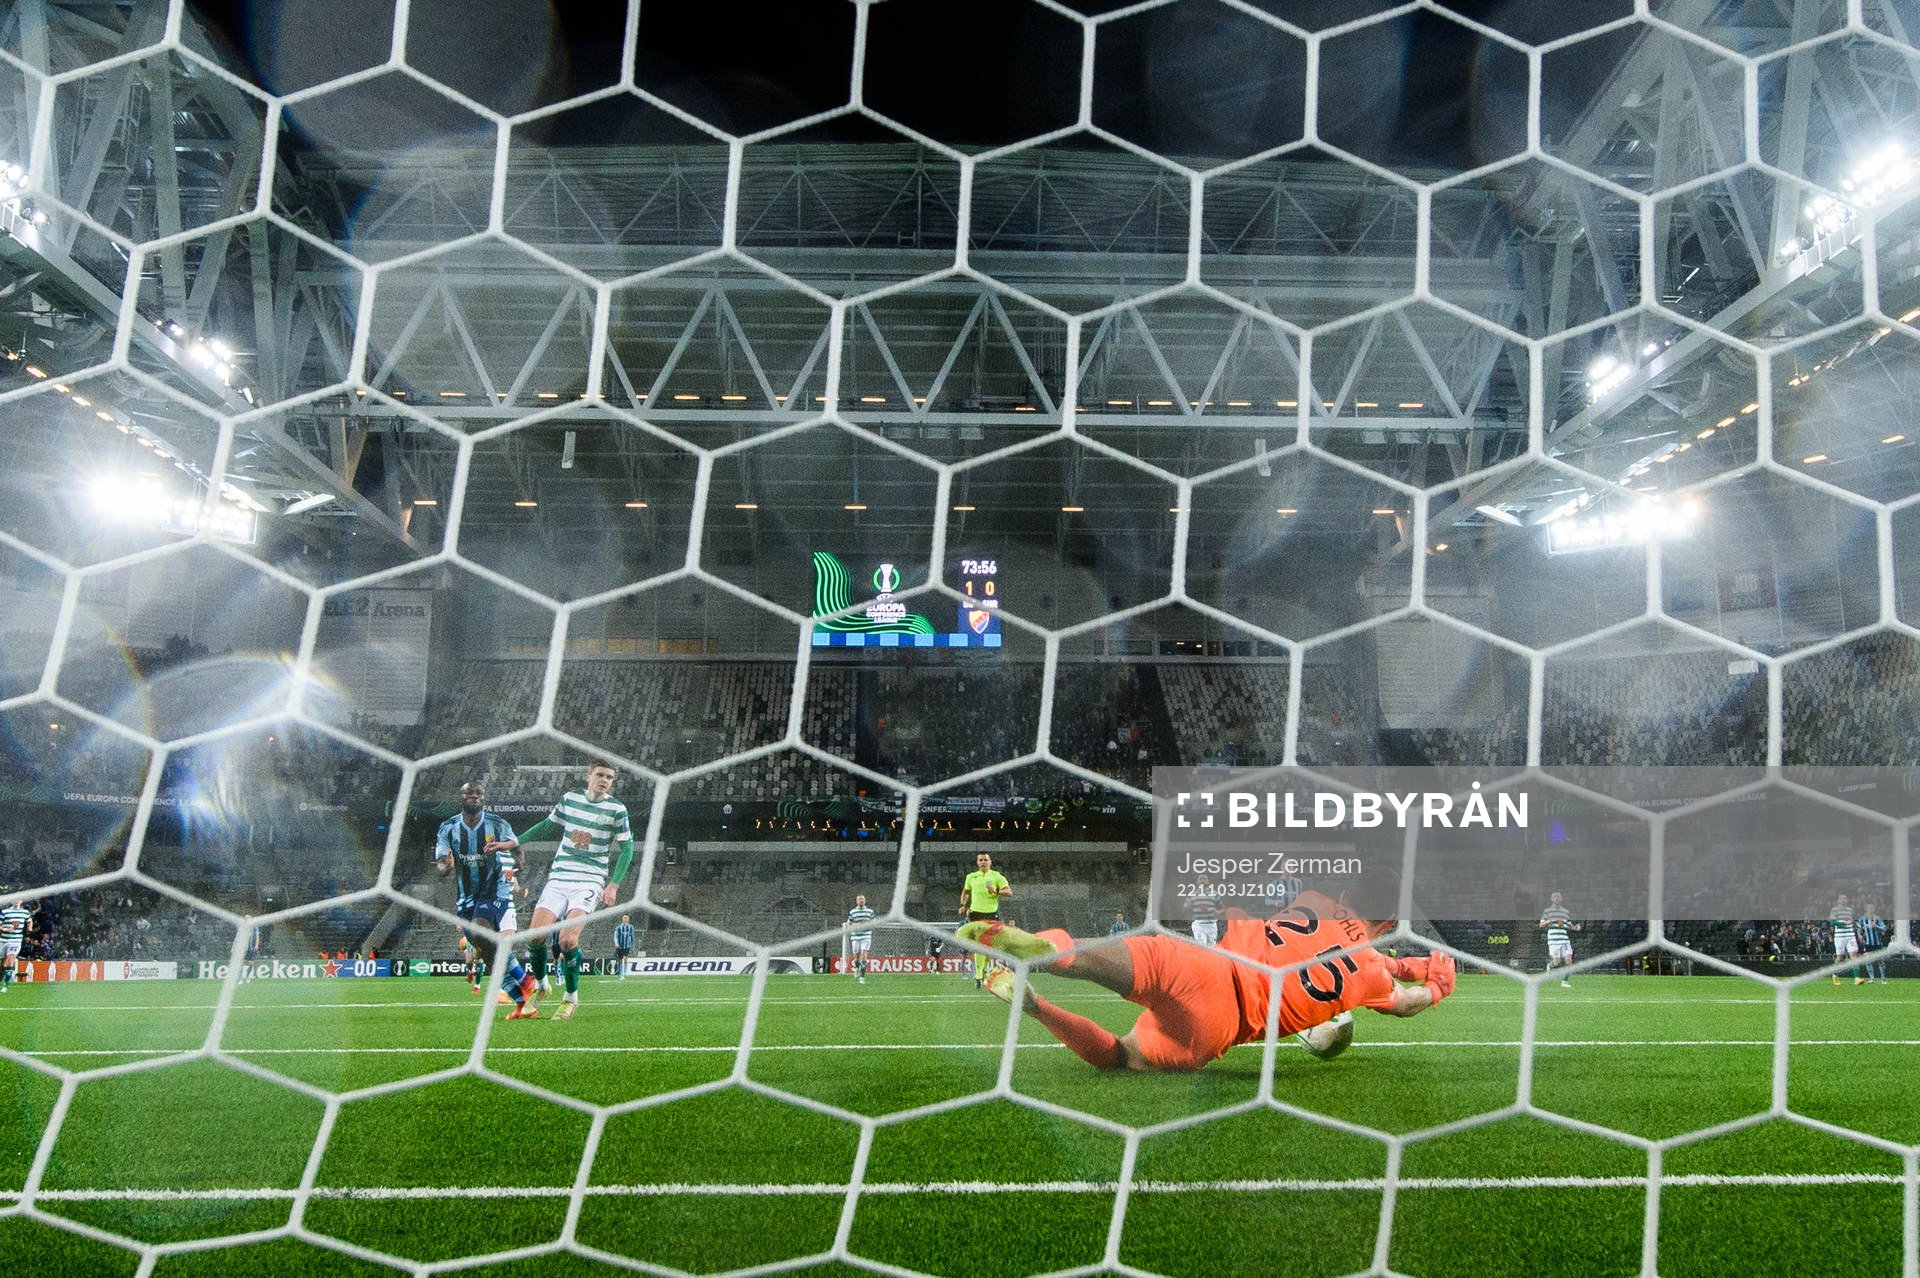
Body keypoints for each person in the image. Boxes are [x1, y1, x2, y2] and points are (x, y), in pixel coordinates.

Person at [958, 888, 1455, 1073]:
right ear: (1389, 927)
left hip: (1210, 967)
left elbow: (1321, 943)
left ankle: (1050, 952)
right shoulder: (1369, 973)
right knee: (1121, 1056)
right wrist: (1432, 988)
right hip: (1222, 1027)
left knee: (1106, 955)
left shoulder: (1317, 899)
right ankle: (1036, 1008)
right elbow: (1400, 1000)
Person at [491, 760, 634, 1021]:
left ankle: (570, 998)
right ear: (589, 776)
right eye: (600, 775)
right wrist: (514, 842)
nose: (605, 780)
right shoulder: (569, 799)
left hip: (589, 880)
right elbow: (547, 825)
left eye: (610, 777)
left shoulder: (617, 810)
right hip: (559, 878)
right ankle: (542, 985)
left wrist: (613, 885)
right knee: (535, 936)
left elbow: (627, 848)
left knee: (568, 940)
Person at [435, 780, 535, 1014]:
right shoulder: (448, 828)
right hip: (466, 897)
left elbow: (516, 848)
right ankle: (522, 1001)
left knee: (480, 929)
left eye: (479, 793)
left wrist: (518, 859)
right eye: (469, 793)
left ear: (484, 798)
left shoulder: (498, 825)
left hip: (494, 889)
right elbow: (440, 862)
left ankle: (526, 981)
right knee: (487, 953)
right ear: (460, 797)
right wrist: (445, 866)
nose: (475, 796)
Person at [958, 853, 1011, 988]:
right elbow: (966, 891)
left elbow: (1009, 892)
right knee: (978, 945)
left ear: (990, 862)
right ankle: (978, 976)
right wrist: (963, 905)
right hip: (975, 914)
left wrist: (996, 891)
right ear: (977, 862)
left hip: (991, 914)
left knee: (987, 946)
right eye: (980, 860)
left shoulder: (996, 876)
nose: (983, 862)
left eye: (985, 860)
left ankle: (981, 971)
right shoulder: (971, 877)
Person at [1539, 891, 1580, 988]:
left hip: (1564, 939)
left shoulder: (1565, 911)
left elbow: (1568, 925)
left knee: (1569, 960)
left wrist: (1575, 928)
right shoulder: (1547, 911)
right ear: (1551, 899)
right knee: (1556, 962)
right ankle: (1550, 966)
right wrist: (1550, 920)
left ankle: (1564, 982)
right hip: (1553, 939)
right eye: (1554, 897)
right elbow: (1541, 925)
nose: (1557, 898)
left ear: (1561, 899)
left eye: (1558, 897)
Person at [0, 893, 34, 991]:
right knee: (3, 962)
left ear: (21, 901)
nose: (16, 901)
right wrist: (6, 929)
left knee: (10, 959)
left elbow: (29, 920)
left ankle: (5, 986)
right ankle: (2, 979)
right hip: (3, 940)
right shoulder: (5, 912)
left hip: (16, 940)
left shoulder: (25, 912)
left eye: (18, 899)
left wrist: (30, 927)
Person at [845, 894, 876, 985]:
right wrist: (855, 925)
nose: (861, 901)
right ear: (857, 901)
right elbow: (848, 923)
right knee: (856, 958)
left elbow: (874, 923)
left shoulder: (870, 911)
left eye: (862, 899)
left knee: (863, 955)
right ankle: (857, 968)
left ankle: (862, 977)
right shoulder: (853, 912)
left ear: (865, 901)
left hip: (866, 936)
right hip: (855, 936)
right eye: (859, 899)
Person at [1831, 893, 1861, 987]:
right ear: (1838, 900)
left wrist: (1855, 925)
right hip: (1840, 937)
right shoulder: (1834, 910)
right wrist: (1844, 923)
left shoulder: (1850, 910)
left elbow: (1852, 921)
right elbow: (1832, 922)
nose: (1843, 900)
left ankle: (1857, 978)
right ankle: (1835, 975)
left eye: (1845, 898)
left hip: (1850, 935)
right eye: (1841, 898)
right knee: (1840, 957)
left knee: (1854, 955)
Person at [1856, 902, 1888, 984]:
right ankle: (1872, 979)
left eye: (1872, 907)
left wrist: (1876, 926)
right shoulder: (1862, 919)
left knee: (1880, 961)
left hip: (1877, 943)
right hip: (1868, 943)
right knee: (1868, 960)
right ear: (1866, 909)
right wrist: (1859, 935)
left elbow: (1884, 928)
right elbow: (1859, 928)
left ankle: (1883, 979)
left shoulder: (1877, 918)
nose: (1870, 909)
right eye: (1869, 907)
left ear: (1874, 909)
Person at [1188, 876, 1221, 947]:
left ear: (1209, 882)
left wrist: (1218, 912)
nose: (1202, 881)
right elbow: (1187, 907)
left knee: (1212, 948)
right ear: (1197, 882)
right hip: (1199, 924)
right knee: (1202, 945)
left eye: (1205, 879)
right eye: (1200, 879)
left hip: (1211, 925)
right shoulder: (1192, 894)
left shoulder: (1215, 894)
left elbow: (1222, 908)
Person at [613, 914, 636, 980]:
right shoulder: (618, 927)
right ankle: (620, 973)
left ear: (628, 919)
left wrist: (632, 944)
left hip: (627, 946)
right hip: (619, 946)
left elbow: (632, 936)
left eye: (626, 918)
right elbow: (615, 936)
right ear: (622, 919)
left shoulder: (631, 927)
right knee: (620, 960)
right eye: (624, 918)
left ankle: (624, 974)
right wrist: (616, 943)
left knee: (625, 959)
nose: (625, 919)